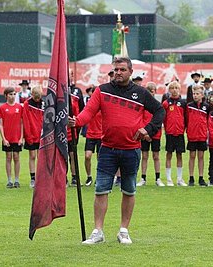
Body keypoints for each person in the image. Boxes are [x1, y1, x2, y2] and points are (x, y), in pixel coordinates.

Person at [69, 57, 164, 245]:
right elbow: (88, 112)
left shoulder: (141, 93)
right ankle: (98, 231)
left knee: (129, 190)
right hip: (107, 150)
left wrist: (149, 129)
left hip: (131, 150)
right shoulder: (102, 91)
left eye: (122, 69)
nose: (118, 73)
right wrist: (77, 121)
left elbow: (160, 111)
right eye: (115, 70)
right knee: (101, 190)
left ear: (130, 72)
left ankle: (123, 230)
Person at [137, 82, 164, 187]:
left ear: (155, 92)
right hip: (145, 134)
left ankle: (158, 178)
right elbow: (141, 120)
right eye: (148, 91)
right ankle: (143, 178)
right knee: (144, 156)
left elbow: (159, 120)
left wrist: (152, 133)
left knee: (156, 156)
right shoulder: (143, 106)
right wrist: (146, 133)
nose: (150, 93)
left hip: (155, 134)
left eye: (152, 91)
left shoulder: (158, 105)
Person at [0, 87, 23, 188]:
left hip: (16, 137)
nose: (12, 96)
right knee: (8, 157)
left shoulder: (20, 107)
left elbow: (22, 123)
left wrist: (21, 138)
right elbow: (0, 124)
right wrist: (4, 138)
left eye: (14, 94)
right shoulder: (2, 108)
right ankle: (9, 180)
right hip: (7, 137)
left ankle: (17, 180)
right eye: (10, 94)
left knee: (16, 157)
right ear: (6, 96)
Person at [162, 81, 186, 186]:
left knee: (179, 155)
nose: (174, 90)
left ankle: (179, 179)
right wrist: (166, 129)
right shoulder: (166, 103)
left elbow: (186, 117)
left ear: (179, 89)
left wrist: (183, 128)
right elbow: (163, 118)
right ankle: (169, 179)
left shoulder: (183, 103)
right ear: (169, 90)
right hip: (170, 132)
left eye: (176, 88)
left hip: (180, 132)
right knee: (169, 154)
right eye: (172, 88)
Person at [186, 84, 209, 186]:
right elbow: (186, 119)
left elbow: (208, 121)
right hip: (192, 135)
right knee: (192, 156)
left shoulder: (207, 107)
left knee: (201, 156)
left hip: (202, 135)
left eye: (197, 94)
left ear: (202, 95)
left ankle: (201, 177)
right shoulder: (189, 106)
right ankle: (191, 178)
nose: (195, 95)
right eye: (194, 93)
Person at [22, 85, 44, 188]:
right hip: (31, 134)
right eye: (36, 97)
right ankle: (33, 178)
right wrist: (28, 136)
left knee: (41, 157)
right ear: (32, 95)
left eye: (39, 97)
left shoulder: (44, 103)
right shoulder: (27, 104)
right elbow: (25, 120)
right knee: (32, 156)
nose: (37, 99)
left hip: (41, 134)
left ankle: (41, 178)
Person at [83, 87, 101, 187]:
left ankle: (99, 177)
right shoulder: (90, 105)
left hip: (101, 134)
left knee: (100, 158)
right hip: (90, 134)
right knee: (87, 156)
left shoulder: (102, 105)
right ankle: (89, 176)